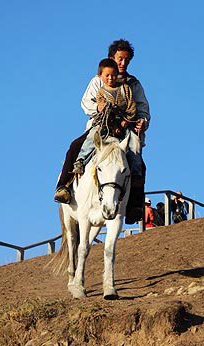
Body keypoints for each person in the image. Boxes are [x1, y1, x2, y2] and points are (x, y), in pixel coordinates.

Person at [54, 39, 150, 225]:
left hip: (124, 130)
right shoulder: (99, 79)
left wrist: (142, 121)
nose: (123, 63)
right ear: (112, 58)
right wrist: (97, 107)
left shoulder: (133, 84)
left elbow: (142, 108)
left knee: (137, 161)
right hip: (101, 126)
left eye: (127, 60)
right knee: (75, 146)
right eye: (120, 59)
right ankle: (64, 186)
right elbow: (85, 102)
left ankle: (134, 206)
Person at [72, 58, 136, 173]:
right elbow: (89, 104)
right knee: (93, 136)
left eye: (113, 75)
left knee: (133, 142)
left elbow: (131, 105)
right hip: (105, 123)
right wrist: (99, 108)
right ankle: (81, 160)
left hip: (124, 124)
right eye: (107, 76)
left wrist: (128, 119)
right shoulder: (100, 91)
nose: (111, 78)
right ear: (100, 76)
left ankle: (136, 173)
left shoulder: (126, 88)